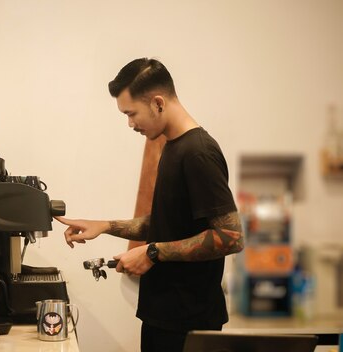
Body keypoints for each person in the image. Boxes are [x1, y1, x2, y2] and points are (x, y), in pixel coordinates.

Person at [55, 58, 244, 352]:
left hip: (189, 323)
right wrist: (105, 226)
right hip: (164, 316)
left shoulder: (198, 153)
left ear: (158, 102)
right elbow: (167, 221)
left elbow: (230, 237)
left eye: (132, 114)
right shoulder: (172, 146)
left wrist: (153, 252)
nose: (130, 124)